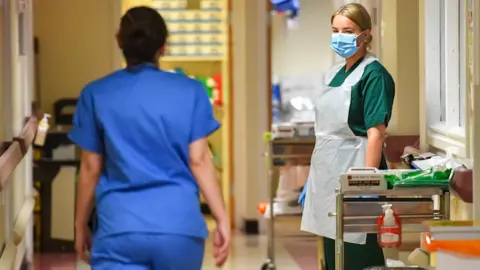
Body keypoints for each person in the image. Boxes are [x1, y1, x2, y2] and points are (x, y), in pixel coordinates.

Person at [69, 6, 230, 270]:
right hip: (178, 230)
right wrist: (221, 218)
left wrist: (79, 224)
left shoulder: (96, 94)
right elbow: (199, 160)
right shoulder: (191, 92)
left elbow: (90, 167)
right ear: (163, 47)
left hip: (118, 229)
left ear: (120, 42)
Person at [298, 3, 395, 270]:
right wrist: (312, 179)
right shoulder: (334, 74)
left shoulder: (374, 74)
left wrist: (366, 182)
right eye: (336, 30)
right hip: (327, 176)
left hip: (357, 170)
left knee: (356, 253)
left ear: (365, 34)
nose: (340, 36)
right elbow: (327, 133)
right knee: (333, 254)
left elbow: (376, 132)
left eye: (348, 30)